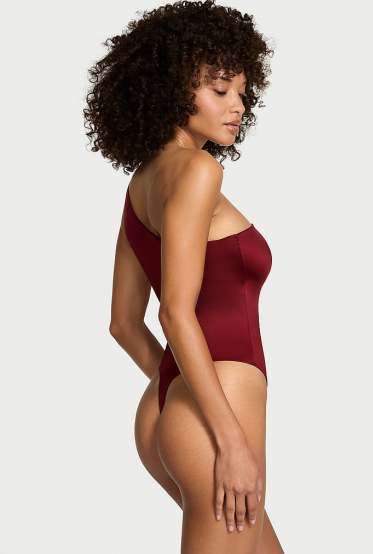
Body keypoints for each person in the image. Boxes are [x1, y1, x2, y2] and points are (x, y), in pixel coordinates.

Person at [84, 1, 284, 552]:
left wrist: (177, 389)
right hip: (220, 405)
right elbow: (173, 311)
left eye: (242, 91)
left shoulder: (141, 185)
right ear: (172, 90)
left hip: (175, 402)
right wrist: (229, 437)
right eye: (220, 90)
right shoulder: (198, 170)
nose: (237, 105)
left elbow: (123, 323)